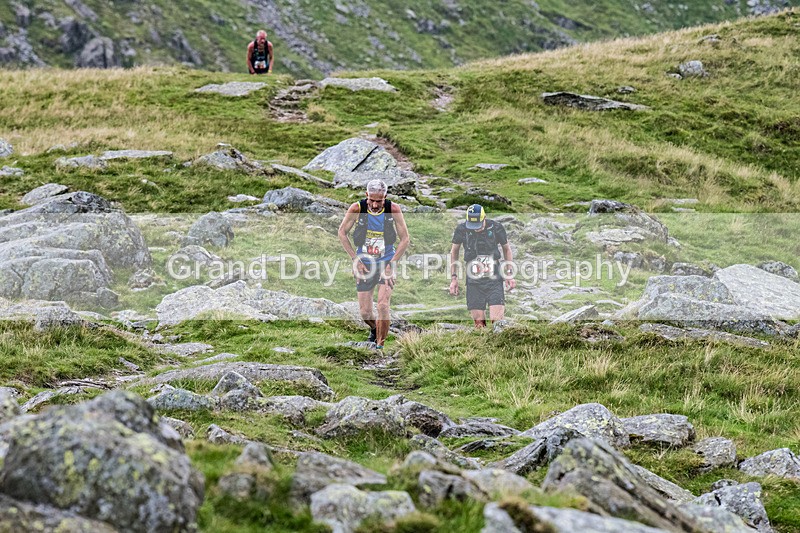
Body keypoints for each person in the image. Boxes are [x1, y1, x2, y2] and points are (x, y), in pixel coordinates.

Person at [338, 180, 410, 349]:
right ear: (366, 196)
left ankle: (380, 346)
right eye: (372, 200)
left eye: (380, 201)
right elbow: (342, 233)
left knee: (383, 305)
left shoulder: (393, 209)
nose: (375, 205)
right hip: (365, 263)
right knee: (364, 313)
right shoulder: (357, 208)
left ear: (385, 197)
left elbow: (405, 239)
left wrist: (391, 265)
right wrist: (355, 259)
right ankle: (376, 329)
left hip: (386, 261)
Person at [449, 204, 516, 328]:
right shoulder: (462, 229)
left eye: (478, 225)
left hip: (494, 279)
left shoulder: (496, 228)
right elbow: (454, 252)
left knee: (497, 322)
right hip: (473, 281)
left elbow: (507, 250)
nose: (475, 229)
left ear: (484, 217)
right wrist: (454, 278)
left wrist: (509, 274)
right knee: (479, 325)